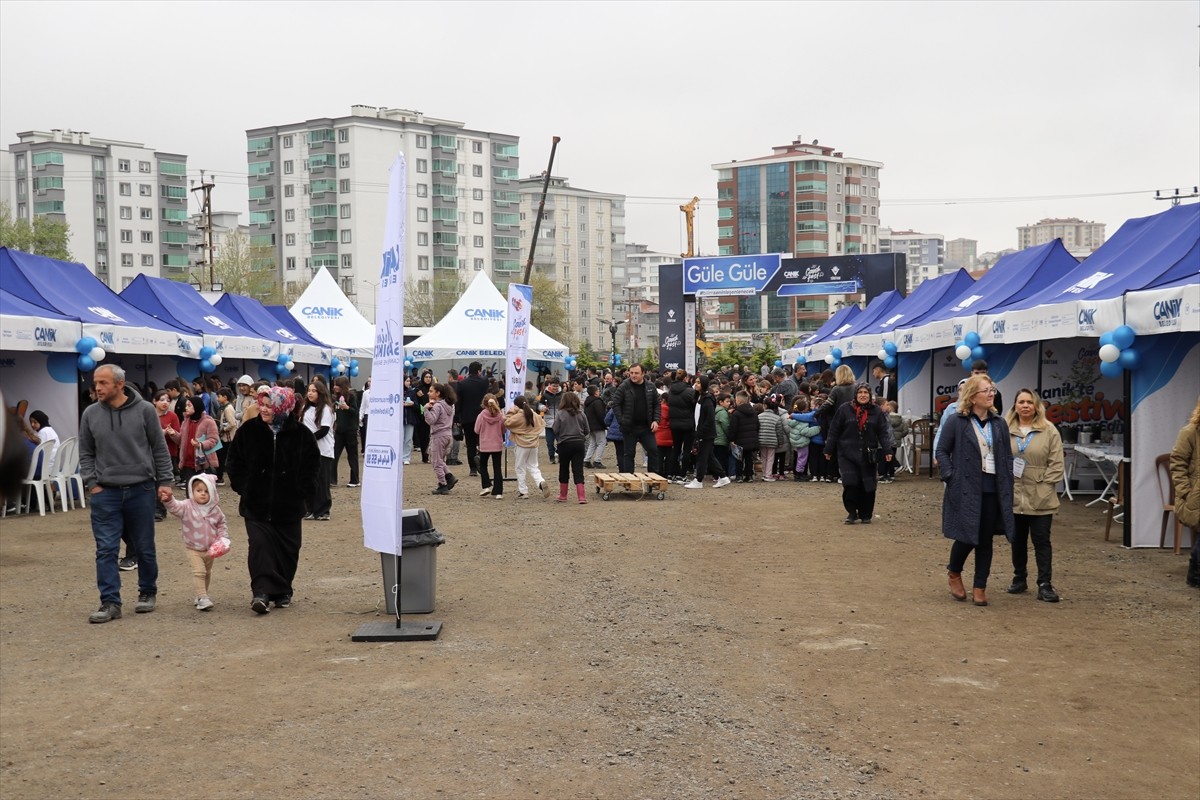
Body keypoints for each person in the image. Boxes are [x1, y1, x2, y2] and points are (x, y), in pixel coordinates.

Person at [78, 365, 175, 624]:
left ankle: (147, 592)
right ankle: (110, 602)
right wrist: (92, 484)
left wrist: (165, 481)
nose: (97, 387)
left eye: (103, 383)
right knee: (106, 549)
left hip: (141, 490)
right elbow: (85, 452)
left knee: (144, 546)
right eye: (95, 382)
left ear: (120, 385)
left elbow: (159, 448)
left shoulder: (145, 410)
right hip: (105, 493)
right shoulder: (90, 414)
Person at [226, 387, 319, 614]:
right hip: (255, 505)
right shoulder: (249, 430)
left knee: (288, 550)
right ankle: (261, 592)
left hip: (289, 507)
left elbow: (312, 468)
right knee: (260, 547)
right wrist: (245, 487)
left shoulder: (301, 435)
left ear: (283, 407)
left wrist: (301, 492)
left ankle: (283, 589)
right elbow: (234, 462)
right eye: (263, 405)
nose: (264, 410)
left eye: (269, 405)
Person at [936, 373, 1015, 607]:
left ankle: (980, 586)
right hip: (966, 488)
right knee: (967, 536)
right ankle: (954, 572)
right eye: (986, 390)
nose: (991, 394)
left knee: (985, 539)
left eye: (992, 389)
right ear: (972, 396)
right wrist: (951, 477)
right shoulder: (957, 421)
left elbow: (1006, 456)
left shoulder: (999, 423)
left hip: (993, 489)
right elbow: (942, 451)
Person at [1004, 389, 1064, 602]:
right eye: (1021, 401)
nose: (1026, 406)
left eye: (1030, 402)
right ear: (1015, 405)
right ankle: (1019, 578)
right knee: (1017, 539)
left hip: (1040, 496)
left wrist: (1045, 486)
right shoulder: (1005, 428)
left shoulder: (1049, 430)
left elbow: (1057, 464)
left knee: (1041, 540)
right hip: (1014, 494)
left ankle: (1045, 584)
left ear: (1037, 406)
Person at [824, 383, 893, 524]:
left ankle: (866, 513)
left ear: (870, 395)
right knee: (850, 483)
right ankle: (851, 512)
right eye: (860, 392)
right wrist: (829, 449)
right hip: (847, 453)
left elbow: (883, 433)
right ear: (855, 394)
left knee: (868, 484)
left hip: (868, 454)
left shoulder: (877, 411)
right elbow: (834, 430)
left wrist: (887, 450)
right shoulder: (844, 409)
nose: (863, 395)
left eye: (866, 392)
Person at [164, 473, 228, 611]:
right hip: (193, 547)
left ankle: (201, 594)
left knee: (207, 572)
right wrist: (169, 499)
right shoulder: (187, 506)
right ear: (192, 491)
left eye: (206, 491)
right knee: (199, 571)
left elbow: (222, 524)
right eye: (199, 491)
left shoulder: (215, 510)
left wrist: (223, 539)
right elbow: (175, 507)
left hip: (210, 549)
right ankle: (202, 597)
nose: (203, 494)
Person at [1169, 397, 1200, 588]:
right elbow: (1177, 463)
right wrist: (1186, 492)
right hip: (1195, 496)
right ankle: (1195, 574)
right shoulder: (1190, 432)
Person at [608, 364, 660, 474]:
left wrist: (656, 420)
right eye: (631, 373)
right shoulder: (624, 386)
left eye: (636, 373)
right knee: (629, 454)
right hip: (629, 427)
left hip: (646, 427)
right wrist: (621, 420)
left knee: (653, 451)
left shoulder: (650, 387)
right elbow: (616, 404)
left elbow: (656, 404)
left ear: (643, 373)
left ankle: (653, 479)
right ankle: (629, 480)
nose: (633, 375)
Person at [685, 376, 730, 489]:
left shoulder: (708, 399)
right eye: (695, 382)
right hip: (701, 432)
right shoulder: (700, 397)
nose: (696, 384)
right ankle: (723, 477)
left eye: (699, 382)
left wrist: (701, 432)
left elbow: (709, 418)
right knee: (709, 456)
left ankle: (698, 480)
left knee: (702, 457)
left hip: (706, 433)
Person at [504, 395, 550, 499]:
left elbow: (507, 422)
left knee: (520, 467)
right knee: (533, 466)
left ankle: (523, 491)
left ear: (516, 405)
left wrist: (511, 411)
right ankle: (540, 481)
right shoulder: (533, 414)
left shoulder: (518, 416)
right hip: (534, 444)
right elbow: (542, 422)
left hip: (522, 444)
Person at [301, 381, 334, 521]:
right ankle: (310, 509)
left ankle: (323, 510)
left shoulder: (326, 409)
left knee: (322, 481)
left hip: (323, 451)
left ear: (320, 393)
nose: (310, 393)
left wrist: (309, 440)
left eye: (314, 391)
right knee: (308, 481)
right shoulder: (305, 408)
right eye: (309, 390)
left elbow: (324, 430)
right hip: (308, 451)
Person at [552, 391, 590, 503]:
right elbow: (587, 430)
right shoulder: (581, 413)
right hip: (579, 444)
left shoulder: (560, 413)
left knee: (564, 468)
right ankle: (581, 496)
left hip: (564, 443)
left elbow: (555, 429)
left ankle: (563, 495)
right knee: (578, 469)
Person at [456, 362, 490, 478]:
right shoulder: (484, 382)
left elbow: (458, 403)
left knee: (470, 444)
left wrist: (457, 418)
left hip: (467, 418)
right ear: (479, 371)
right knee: (482, 442)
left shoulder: (461, 384)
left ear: (468, 371)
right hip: (483, 417)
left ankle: (473, 469)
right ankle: (481, 462)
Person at [425, 382, 458, 495]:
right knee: (440, 460)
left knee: (436, 461)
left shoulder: (438, 406)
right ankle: (449, 477)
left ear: (438, 393)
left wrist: (426, 410)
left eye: (431, 391)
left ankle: (442, 484)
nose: (428, 393)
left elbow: (431, 420)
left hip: (438, 435)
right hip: (448, 434)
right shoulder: (450, 405)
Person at [667, 369, 697, 483]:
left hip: (674, 424)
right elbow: (695, 405)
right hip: (688, 423)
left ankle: (671, 474)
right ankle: (682, 475)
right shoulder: (690, 391)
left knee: (675, 449)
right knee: (686, 450)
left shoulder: (671, 390)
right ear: (686, 378)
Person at [473, 393, 505, 498]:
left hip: (485, 444)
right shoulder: (500, 415)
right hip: (497, 444)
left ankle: (486, 486)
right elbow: (504, 430)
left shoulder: (481, 415)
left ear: (484, 403)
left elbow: (476, 430)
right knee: (497, 467)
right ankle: (498, 492)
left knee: (483, 465)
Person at [331, 376, 360, 488]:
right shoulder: (335, 397)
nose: (335, 387)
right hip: (339, 430)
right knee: (334, 454)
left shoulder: (351, 396)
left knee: (352, 456)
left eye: (337, 385)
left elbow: (355, 412)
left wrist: (347, 407)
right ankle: (332, 480)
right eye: (334, 385)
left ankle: (355, 480)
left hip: (350, 430)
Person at [727, 391, 759, 483]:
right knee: (749, 458)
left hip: (739, 440)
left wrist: (731, 439)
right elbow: (757, 425)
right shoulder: (753, 412)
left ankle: (739, 476)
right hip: (751, 440)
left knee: (739, 459)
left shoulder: (736, 414)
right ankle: (749, 476)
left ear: (739, 401)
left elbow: (733, 428)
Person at [757, 395, 787, 483]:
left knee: (763, 457)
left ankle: (763, 474)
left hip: (761, 440)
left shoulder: (759, 416)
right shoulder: (777, 418)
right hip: (772, 441)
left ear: (765, 406)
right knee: (770, 458)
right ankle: (768, 474)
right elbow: (779, 432)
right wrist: (780, 442)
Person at [213, 388, 237, 485]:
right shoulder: (224, 407)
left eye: (219, 396)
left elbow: (232, 423)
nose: (217, 399)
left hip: (228, 438)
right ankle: (219, 477)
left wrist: (223, 429)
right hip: (224, 437)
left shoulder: (228, 408)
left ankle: (222, 478)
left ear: (225, 397)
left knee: (225, 458)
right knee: (221, 457)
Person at [538, 378, 563, 465]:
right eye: (553, 386)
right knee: (549, 442)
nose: (555, 388)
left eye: (556, 386)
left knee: (561, 441)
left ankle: (560, 454)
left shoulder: (562, 395)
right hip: (548, 422)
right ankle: (551, 457)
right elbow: (539, 405)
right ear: (550, 386)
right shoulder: (545, 395)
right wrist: (543, 408)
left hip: (560, 422)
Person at [583, 385, 608, 468]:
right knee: (602, 442)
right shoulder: (597, 402)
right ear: (595, 392)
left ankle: (587, 459)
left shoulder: (587, 402)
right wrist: (605, 424)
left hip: (590, 425)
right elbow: (601, 415)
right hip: (598, 425)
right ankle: (597, 460)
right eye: (597, 390)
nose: (599, 391)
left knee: (593, 443)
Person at [413, 370, 434, 463]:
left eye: (430, 377)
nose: (428, 379)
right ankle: (425, 457)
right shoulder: (419, 389)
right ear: (423, 378)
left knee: (433, 436)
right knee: (424, 437)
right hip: (422, 416)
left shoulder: (433, 388)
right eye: (426, 377)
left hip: (434, 415)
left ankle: (432, 455)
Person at [401, 375, 418, 465]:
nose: (408, 383)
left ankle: (406, 457)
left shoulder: (412, 392)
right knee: (400, 439)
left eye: (409, 381)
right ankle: (400, 456)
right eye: (406, 381)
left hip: (410, 419)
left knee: (408, 439)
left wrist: (412, 403)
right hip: (400, 420)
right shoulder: (398, 392)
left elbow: (417, 405)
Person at [358, 377, 371, 452]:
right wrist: (360, 417)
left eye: (371, 381)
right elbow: (363, 406)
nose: (369, 383)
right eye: (368, 381)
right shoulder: (366, 393)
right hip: (367, 414)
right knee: (366, 433)